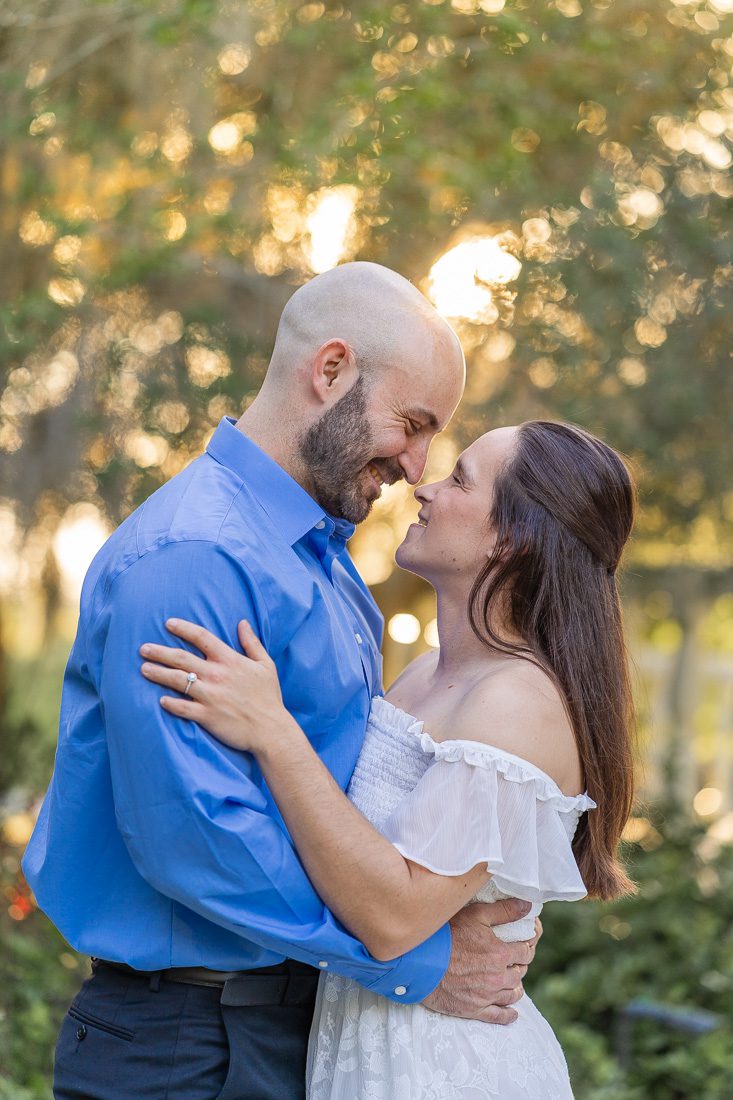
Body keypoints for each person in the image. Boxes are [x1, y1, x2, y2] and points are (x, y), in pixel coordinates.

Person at [23, 262, 539, 1100]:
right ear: (329, 369)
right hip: (186, 1044)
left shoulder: (326, 569)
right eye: (409, 424)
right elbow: (196, 838)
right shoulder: (194, 558)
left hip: (291, 1024)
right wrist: (413, 958)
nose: (415, 466)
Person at [139, 419, 637, 1099]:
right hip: (362, 1042)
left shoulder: (516, 702)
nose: (425, 488)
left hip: (440, 1067)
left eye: (459, 479)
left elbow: (393, 917)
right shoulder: (427, 674)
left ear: (512, 538)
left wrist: (272, 731)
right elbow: (344, 848)